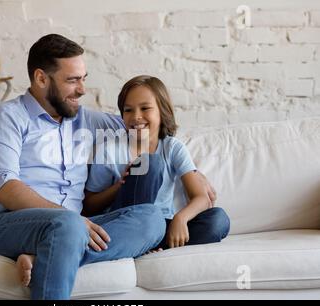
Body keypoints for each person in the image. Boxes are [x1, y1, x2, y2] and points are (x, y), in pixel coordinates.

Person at [0, 34, 217, 300]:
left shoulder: (86, 120)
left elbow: (143, 126)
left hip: (75, 224)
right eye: (72, 80)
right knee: (67, 225)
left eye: (83, 78)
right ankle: (59, 248)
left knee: (152, 219)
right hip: (4, 224)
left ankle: (45, 255)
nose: (82, 89)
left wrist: (193, 172)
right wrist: (71, 219)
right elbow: (6, 188)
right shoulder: (4, 117)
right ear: (41, 79)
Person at [84, 75, 230, 250]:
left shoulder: (173, 148)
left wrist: (180, 218)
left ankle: (150, 245)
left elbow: (201, 198)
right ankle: (141, 239)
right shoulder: (108, 150)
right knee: (149, 163)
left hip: (163, 225)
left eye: (145, 108)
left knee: (218, 220)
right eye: (128, 110)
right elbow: (89, 206)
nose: (136, 116)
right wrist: (121, 186)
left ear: (162, 111)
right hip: (124, 223)